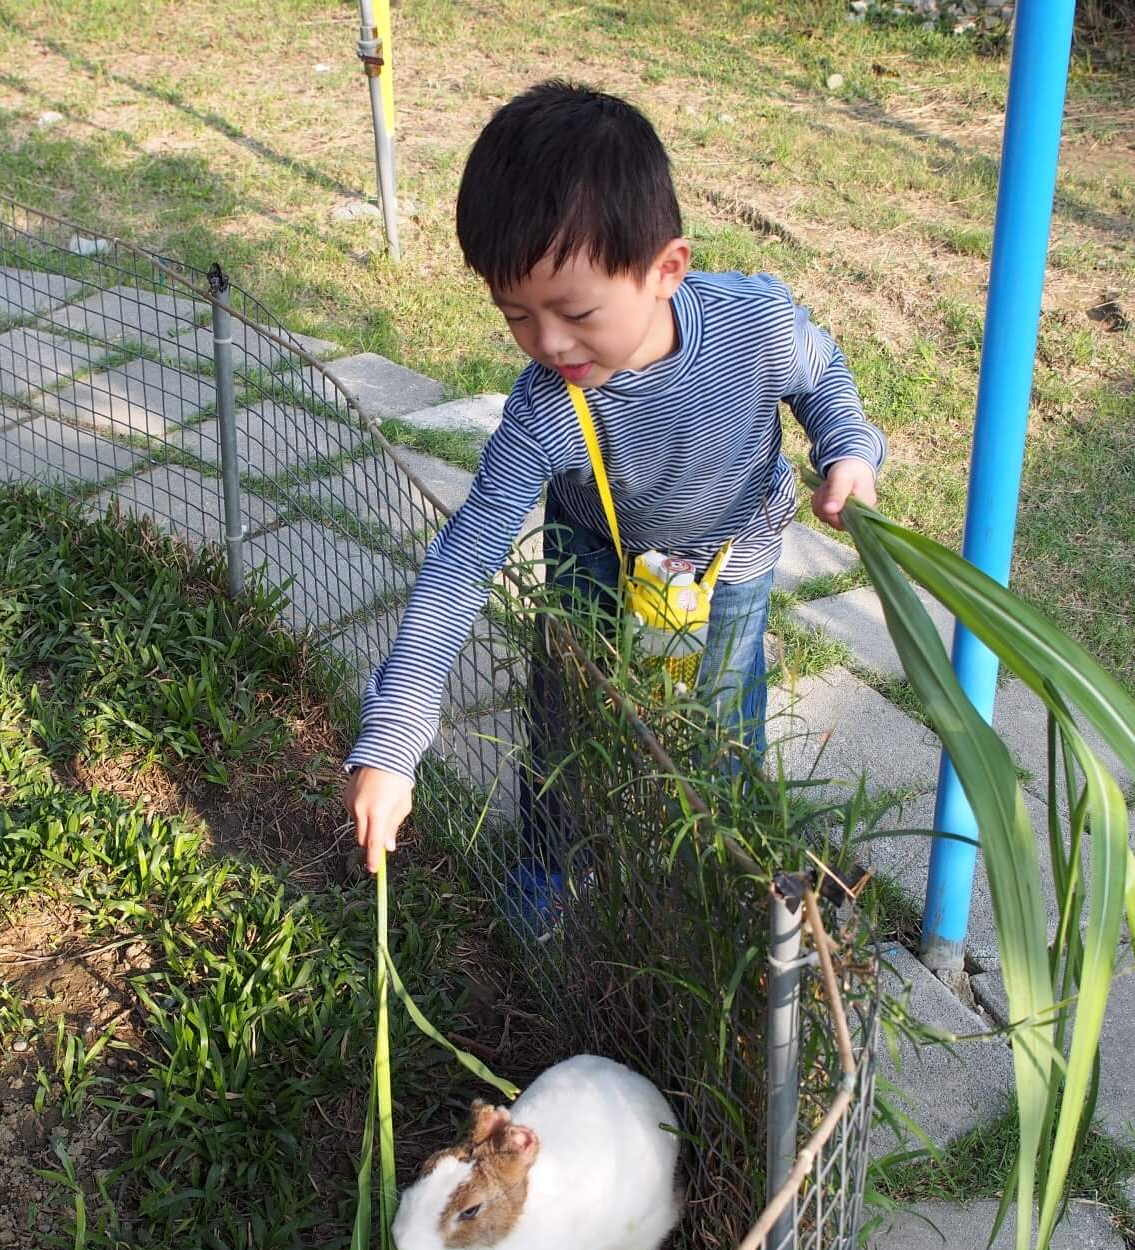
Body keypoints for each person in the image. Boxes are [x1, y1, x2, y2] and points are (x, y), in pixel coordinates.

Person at [344, 80, 886, 923]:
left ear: (667, 268)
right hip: (594, 549)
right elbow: (460, 567)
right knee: (565, 717)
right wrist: (395, 738)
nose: (549, 343)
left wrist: (848, 449)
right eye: (517, 316)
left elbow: (823, 379)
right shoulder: (548, 408)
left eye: (574, 311)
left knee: (723, 725)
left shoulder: (757, 325)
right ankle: (547, 868)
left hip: (733, 555)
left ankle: (718, 872)